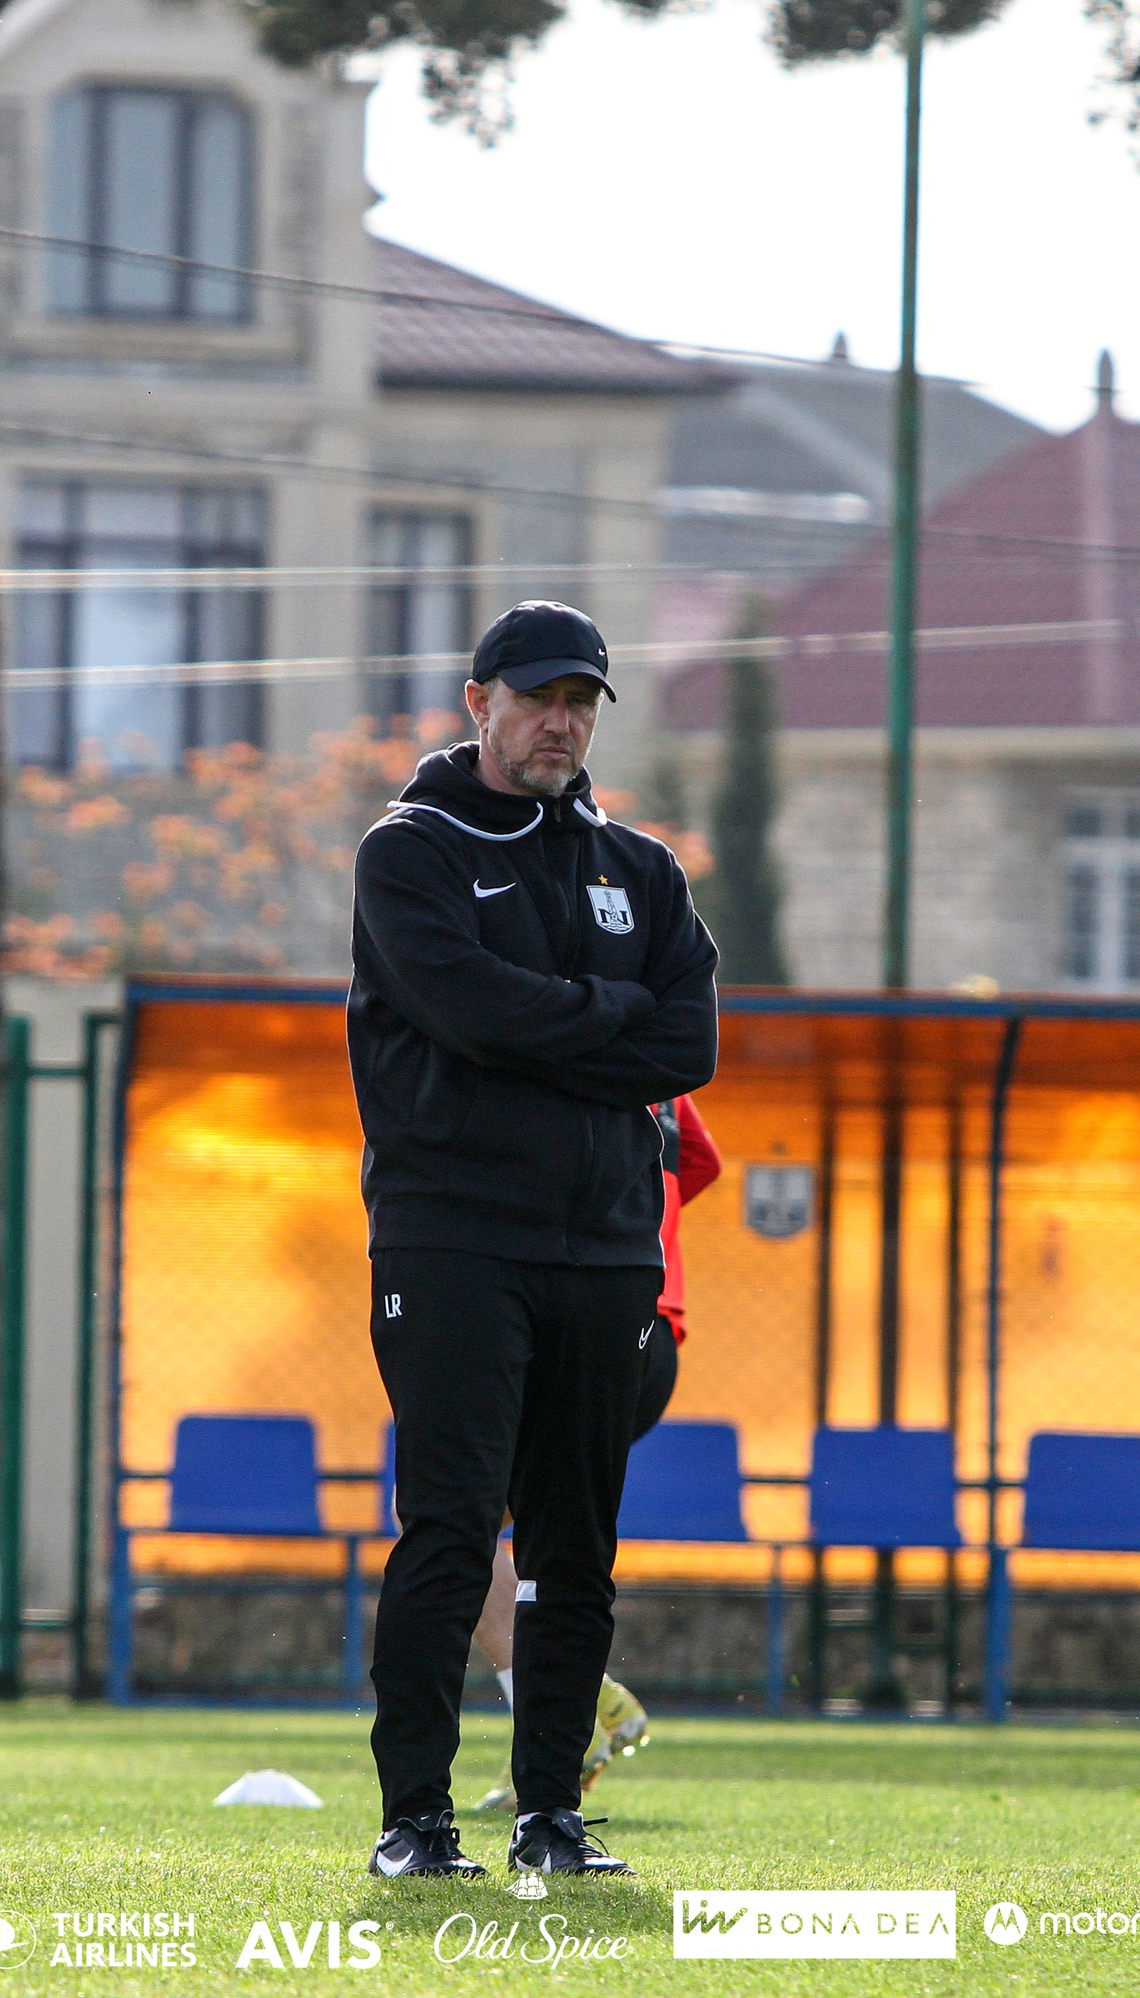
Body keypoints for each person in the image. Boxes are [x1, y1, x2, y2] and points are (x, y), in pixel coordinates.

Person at [349, 601, 719, 1879]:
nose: (559, 721)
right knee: (450, 1529)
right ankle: (415, 1822)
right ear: (479, 701)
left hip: (608, 1244)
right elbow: (465, 1010)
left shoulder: (642, 869)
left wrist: (557, 1022)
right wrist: (604, 1022)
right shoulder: (411, 851)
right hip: (450, 1237)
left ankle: (550, 1818)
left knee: (575, 1547)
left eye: (581, 701)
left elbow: (690, 1044)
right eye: (536, 696)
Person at [470, 1092, 723, 1813]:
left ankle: (572, 1713)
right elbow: (701, 1162)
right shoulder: (661, 1064)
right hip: (656, 1325)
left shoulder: (565, 1045)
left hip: (599, 1315)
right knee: (515, 1523)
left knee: (456, 1521)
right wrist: (652, 1222)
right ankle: (570, 1713)